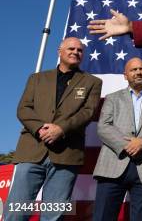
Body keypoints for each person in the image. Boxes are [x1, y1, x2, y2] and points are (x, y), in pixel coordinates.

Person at [5, 37, 102, 221]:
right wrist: (40, 128)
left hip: (67, 155)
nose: (75, 52)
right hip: (32, 151)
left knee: (53, 215)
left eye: (79, 50)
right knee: (16, 211)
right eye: (71, 48)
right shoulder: (36, 78)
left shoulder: (92, 82)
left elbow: (87, 113)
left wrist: (61, 129)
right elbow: (23, 108)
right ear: (60, 51)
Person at [92, 57, 142, 221]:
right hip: (113, 165)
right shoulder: (112, 98)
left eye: (141, 69)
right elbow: (103, 126)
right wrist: (127, 145)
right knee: (103, 216)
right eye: (133, 70)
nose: (138, 72)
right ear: (125, 75)